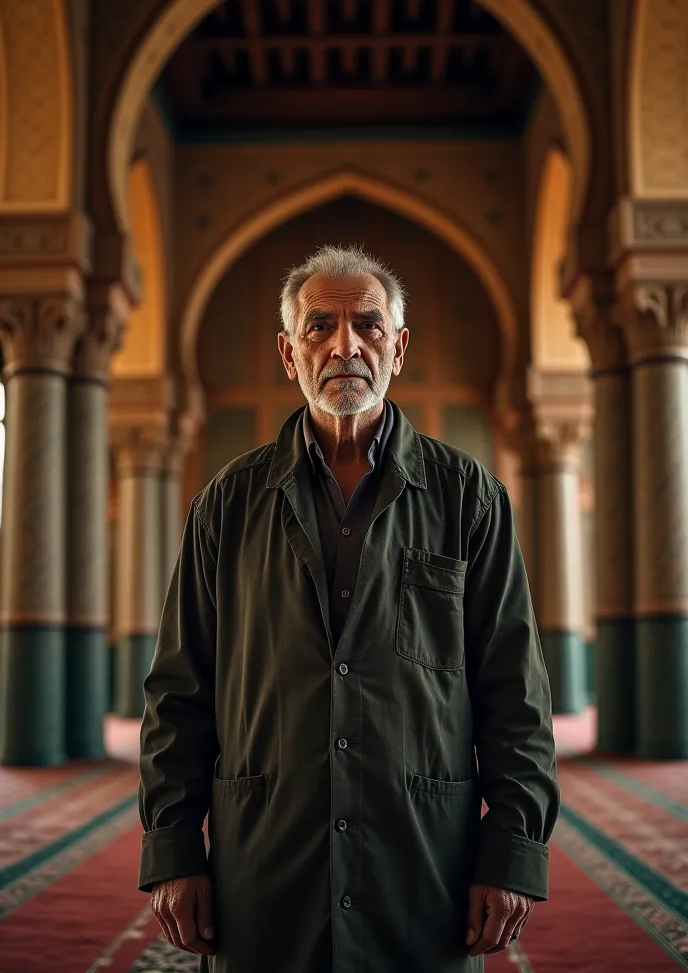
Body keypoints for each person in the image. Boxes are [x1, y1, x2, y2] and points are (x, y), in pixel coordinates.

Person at [138, 244, 559, 972]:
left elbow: (515, 693)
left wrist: (513, 851)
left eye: (368, 325)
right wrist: (174, 849)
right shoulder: (227, 506)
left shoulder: (469, 498)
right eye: (319, 326)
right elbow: (179, 691)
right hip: (266, 860)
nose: (345, 345)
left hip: (423, 861)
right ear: (286, 351)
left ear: (398, 348)